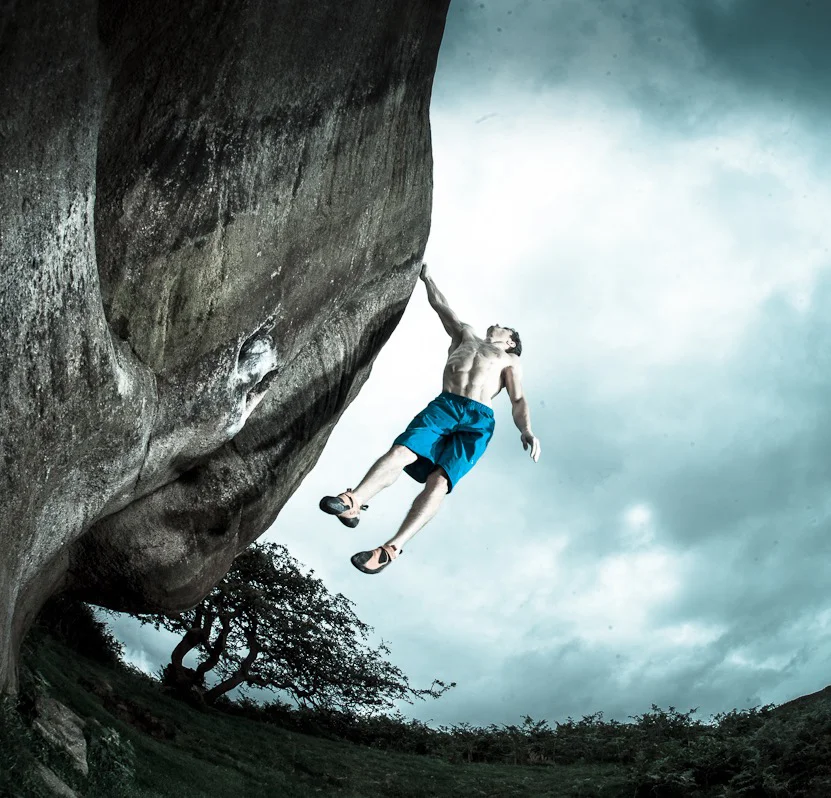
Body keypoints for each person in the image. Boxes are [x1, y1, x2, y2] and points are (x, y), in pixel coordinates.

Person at [320, 263, 541, 574]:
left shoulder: (509, 359)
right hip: (446, 406)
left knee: (439, 481)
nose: (497, 323)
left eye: (504, 326)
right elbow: (441, 306)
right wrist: (425, 276)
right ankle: (354, 500)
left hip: (479, 420)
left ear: (511, 341)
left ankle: (390, 548)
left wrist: (526, 430)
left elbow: (518, 399)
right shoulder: (465, 334)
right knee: (402, 451)